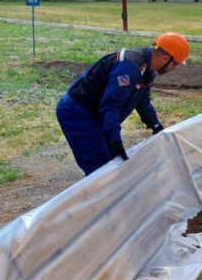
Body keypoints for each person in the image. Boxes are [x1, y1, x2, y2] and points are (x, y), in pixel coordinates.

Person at [56, 32, 189, 176]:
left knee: (109, 166)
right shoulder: (129, 68)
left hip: (96, 114)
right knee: (100, 170)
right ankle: (98, 197)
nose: (173, 68)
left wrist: (155, 126)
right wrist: (115, 142)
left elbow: (143, 101)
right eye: (175, 64)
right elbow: (111, 105)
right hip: (78, 113)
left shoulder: (148, 70)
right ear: (165, 58)